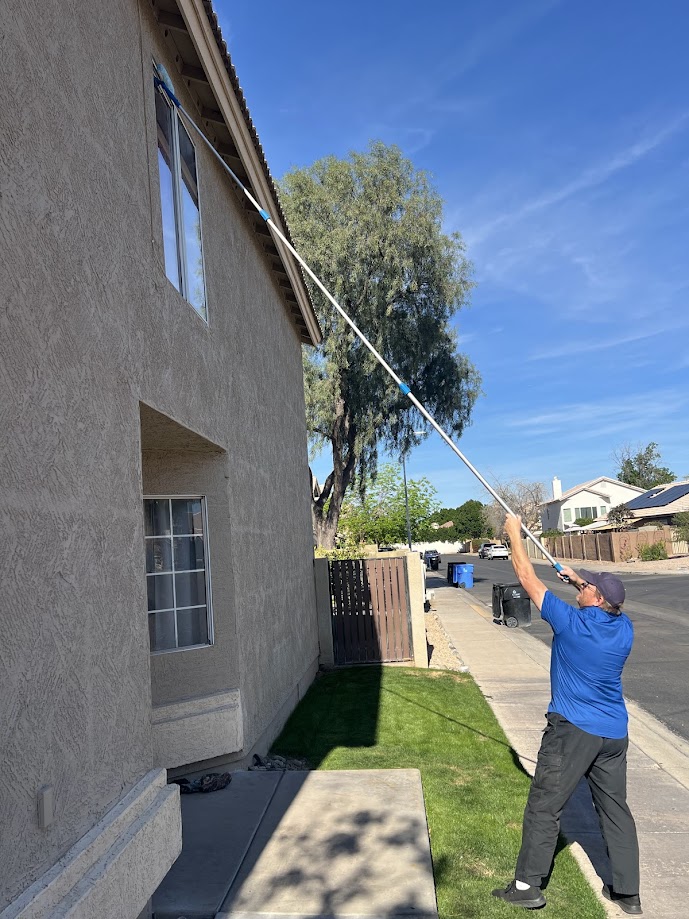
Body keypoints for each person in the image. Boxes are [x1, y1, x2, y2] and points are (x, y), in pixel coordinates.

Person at [491, 515, 642, 914]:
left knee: (545, 805)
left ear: (594, 598)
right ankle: (628, 892)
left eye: (587, 585)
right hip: (614, 735)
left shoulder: (571, 623)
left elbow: (526, 576)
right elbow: (600, 599)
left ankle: (526, 886)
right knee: (615, 808)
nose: (583, 586)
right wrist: (576, 579)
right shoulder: (623, 626)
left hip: (572, 731)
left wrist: (514, 535)